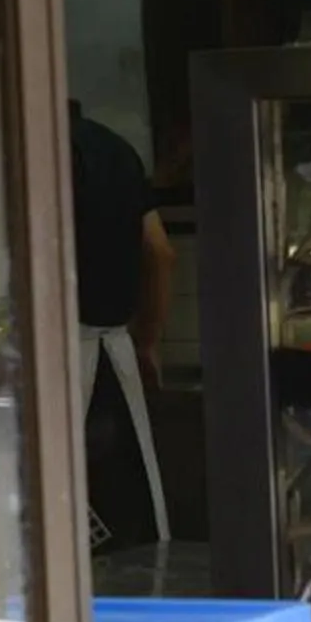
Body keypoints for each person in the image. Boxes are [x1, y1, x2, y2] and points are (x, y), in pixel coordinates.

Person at [70, 98, 178, 542]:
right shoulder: (114, 149)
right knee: (132, 513)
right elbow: (161, 252)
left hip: (54, 354)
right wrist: (147, 339)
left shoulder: (19, 152)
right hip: (115, 348)